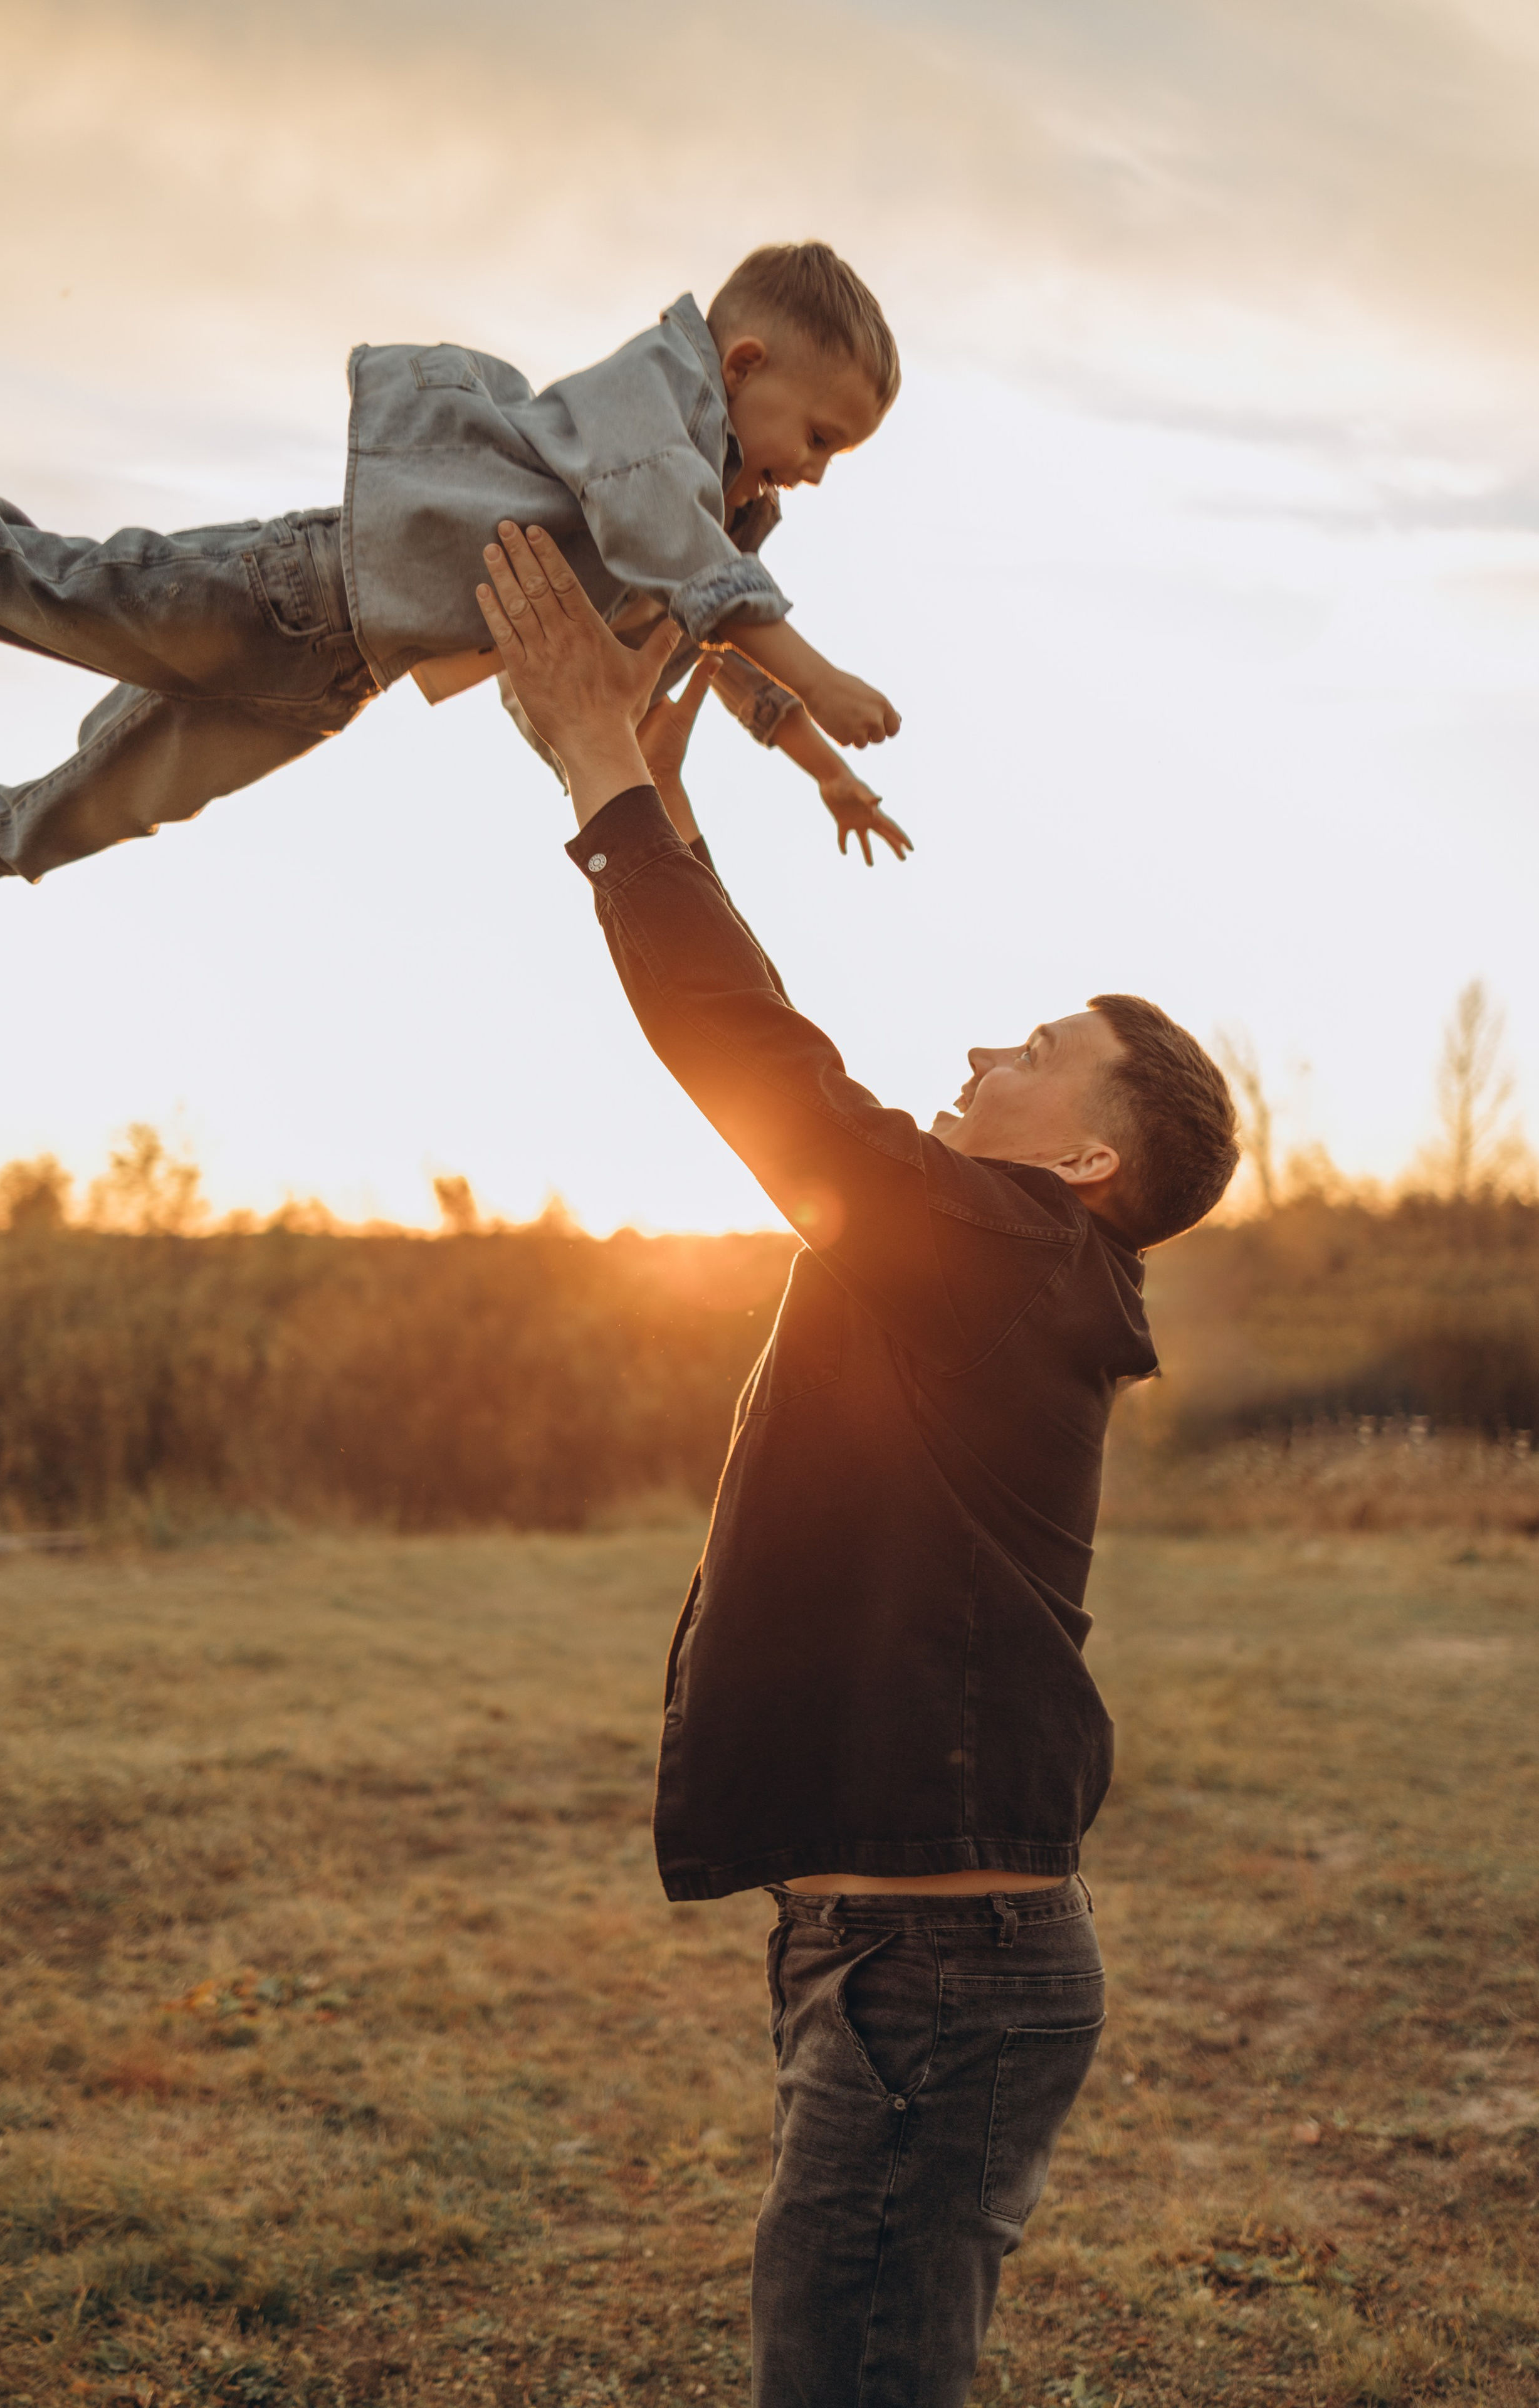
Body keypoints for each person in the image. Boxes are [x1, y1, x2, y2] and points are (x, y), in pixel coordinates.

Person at [472, 519, 1241, 2407]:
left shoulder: (1009, 1247)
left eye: (1043, 1046)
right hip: (906, 1957)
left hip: (940, 1972)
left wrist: (602, 778)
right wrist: (652, 796)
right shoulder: (995, 1265)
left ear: (1089, 1166)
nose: (991, 1043)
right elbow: (786, 1063)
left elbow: (768, 1074)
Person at [0, 241, 908, 939]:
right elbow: (679, 545)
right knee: (59, 591)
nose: (817, 471)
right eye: (819, 437)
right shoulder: (658, 405)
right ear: (743, 365)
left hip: (348, 669)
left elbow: (712, 641)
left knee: (133, 788)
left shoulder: (710, 525)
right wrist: (822, 678)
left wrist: (823, 769)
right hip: (310, 591)